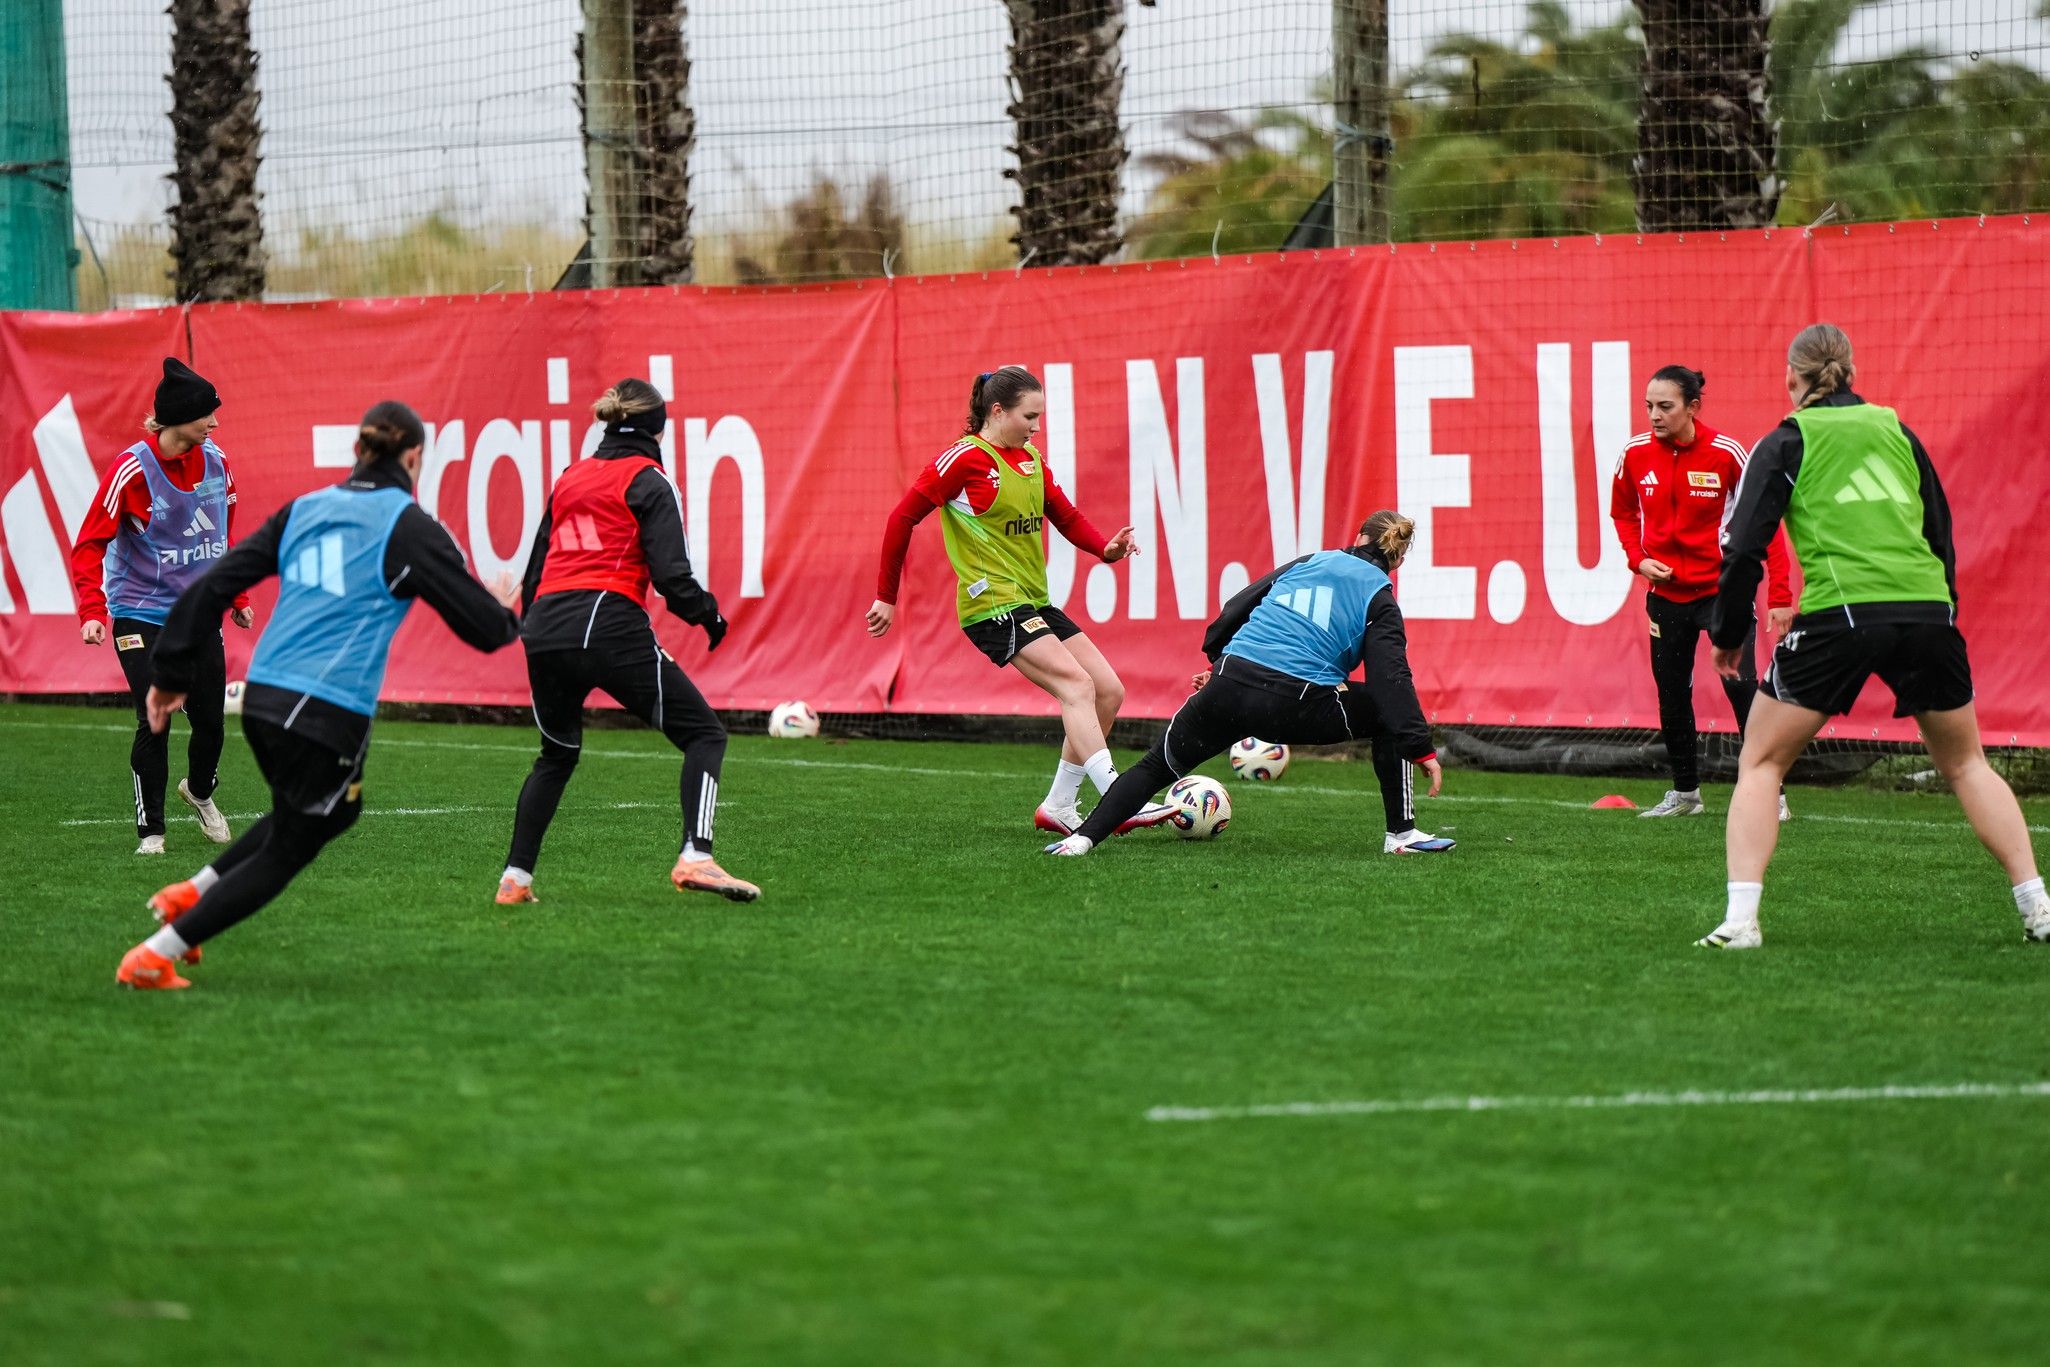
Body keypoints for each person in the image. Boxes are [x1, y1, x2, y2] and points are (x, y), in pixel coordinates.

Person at [114, 401, 522, 990]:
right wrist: (504, 602)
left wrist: (170, 672)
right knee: (297, 840)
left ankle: (191, 893)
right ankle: (158, 952)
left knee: (315, 813)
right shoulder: (408, 526)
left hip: (264, 698)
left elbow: (217, 581)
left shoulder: (306, 507)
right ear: (414, 458)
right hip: (322, 707)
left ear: (357, 452)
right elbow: (485, 631)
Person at [1697, 323, 2049, 949]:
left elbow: (1745, 546)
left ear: (1791, 378)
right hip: (1926, 612)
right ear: (1851, 371)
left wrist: (1725, 633)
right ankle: (2038, 908)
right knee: (1968, 763)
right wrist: (1942, 612)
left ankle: (1740, 922)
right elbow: (1939, 531)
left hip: (1845, 615)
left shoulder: (1786, 440)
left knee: (1761, 760)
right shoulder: (1897, 430)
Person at [867, 364, 1170, 836]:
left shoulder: (1030, 458)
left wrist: (1105, 550)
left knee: (1108, 690)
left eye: (1039, 417)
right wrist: (886, 597)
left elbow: (1065, 516)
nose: (1036, 425)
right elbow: (900, 519)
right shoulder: (963, 459)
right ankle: (1120, 796)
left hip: (1032, 601)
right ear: (997, 410)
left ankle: (1059, 806)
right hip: (992, 605)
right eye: (1030, 415)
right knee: (1077, 686)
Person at [1046, 511, 1450, 857]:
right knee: (1386, 717)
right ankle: (1402, 835)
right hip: (1295, 705)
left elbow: (1237, 606)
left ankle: (1080, 840)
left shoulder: (1308, 562)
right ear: (1396, 561)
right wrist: (1418, 745)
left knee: (1155, 767)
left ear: (1358, 538)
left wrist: (1218, 661)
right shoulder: (1380, 597)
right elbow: (1391, 679)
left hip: (1227, 686)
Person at [496, 378, 756, 905]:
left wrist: (530, 628)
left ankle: (515, 880)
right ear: (659, 430)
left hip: (545, 628)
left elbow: (536, 568)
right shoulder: (650, 479)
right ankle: (696, 857)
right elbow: (672, 580)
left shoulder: (570, 477)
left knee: (555, 756)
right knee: (705, 735)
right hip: (606, 620)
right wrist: (709, 617)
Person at [68, 357, 255, 855]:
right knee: (156, 716)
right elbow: (89, 544)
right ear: (177, 418)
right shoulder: (131, 470)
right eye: (207, 415)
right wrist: (91, 611)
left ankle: (198, 792)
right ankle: (151, 833)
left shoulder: (218, 462)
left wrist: (234, 595)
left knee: (211, 727)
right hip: (139, 615)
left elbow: (222, 535)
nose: (216, 423)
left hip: (199, 617)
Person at [1610, 363, 1794, 820]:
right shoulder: (1634, 454)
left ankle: (1772, 793)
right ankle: (1685, 794)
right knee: (1671, 693)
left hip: (1722, 595)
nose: (1654, 415)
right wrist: (1637, 559)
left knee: (1743, 689)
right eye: (1649, 406)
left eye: (1665, 406)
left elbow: (1764, 525)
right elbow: (1623, 513)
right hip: (1665, 598)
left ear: (1693, 407)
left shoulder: (1726, 452)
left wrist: (1780, 594)